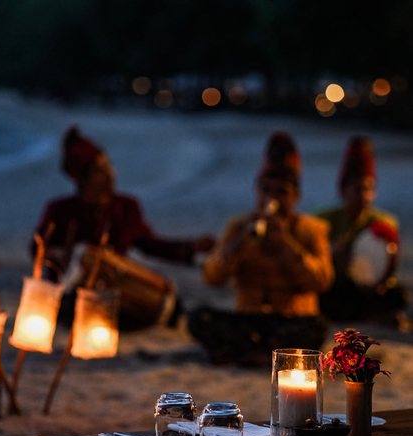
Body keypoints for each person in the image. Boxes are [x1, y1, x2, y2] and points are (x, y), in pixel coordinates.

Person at [31, 126, 214, 329]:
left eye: (109, 167)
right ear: (83, 179)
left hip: (115, 290)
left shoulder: (126, 207)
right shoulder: (59, 210)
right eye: (100, 171)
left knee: (169, 307)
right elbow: (37, 250)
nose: (110, 175)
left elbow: (150, 245)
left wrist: (191, 248)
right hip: (71, 292)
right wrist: (64, 257)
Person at [187, 132, 334, 366]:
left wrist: (286, 245)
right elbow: (212, 277)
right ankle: (266, 353)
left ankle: (248, 353)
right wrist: (237, 244)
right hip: (249, 318)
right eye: (266, 189)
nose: (271, 197)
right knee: (198, 318)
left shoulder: (312, 229)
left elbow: (322, 280)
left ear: (297, 196)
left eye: (281, 191)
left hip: (289, 320)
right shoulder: (240, 225)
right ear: (257, 191)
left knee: (317, 327)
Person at [317, 136, 410, 325]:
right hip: (337, 287)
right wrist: (332, 256)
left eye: (369, 189)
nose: (364, 196)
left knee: (400, 295)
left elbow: (387, 269)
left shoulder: (385, 222)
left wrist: (378, 283)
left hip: (368, 291)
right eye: (357, 189)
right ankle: (372, 318)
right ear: (343, 191)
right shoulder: (323, 220)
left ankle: (366, 316)